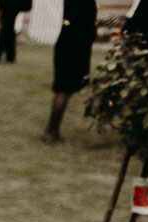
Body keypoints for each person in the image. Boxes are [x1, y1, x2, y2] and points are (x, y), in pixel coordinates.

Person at [41, 0, 96, 142]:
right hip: (73, 45)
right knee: (64, 89)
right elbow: (81, 20)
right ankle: (51, 132)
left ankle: (52, 130)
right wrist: (93, 31)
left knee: (66, 89)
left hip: (72, 41)